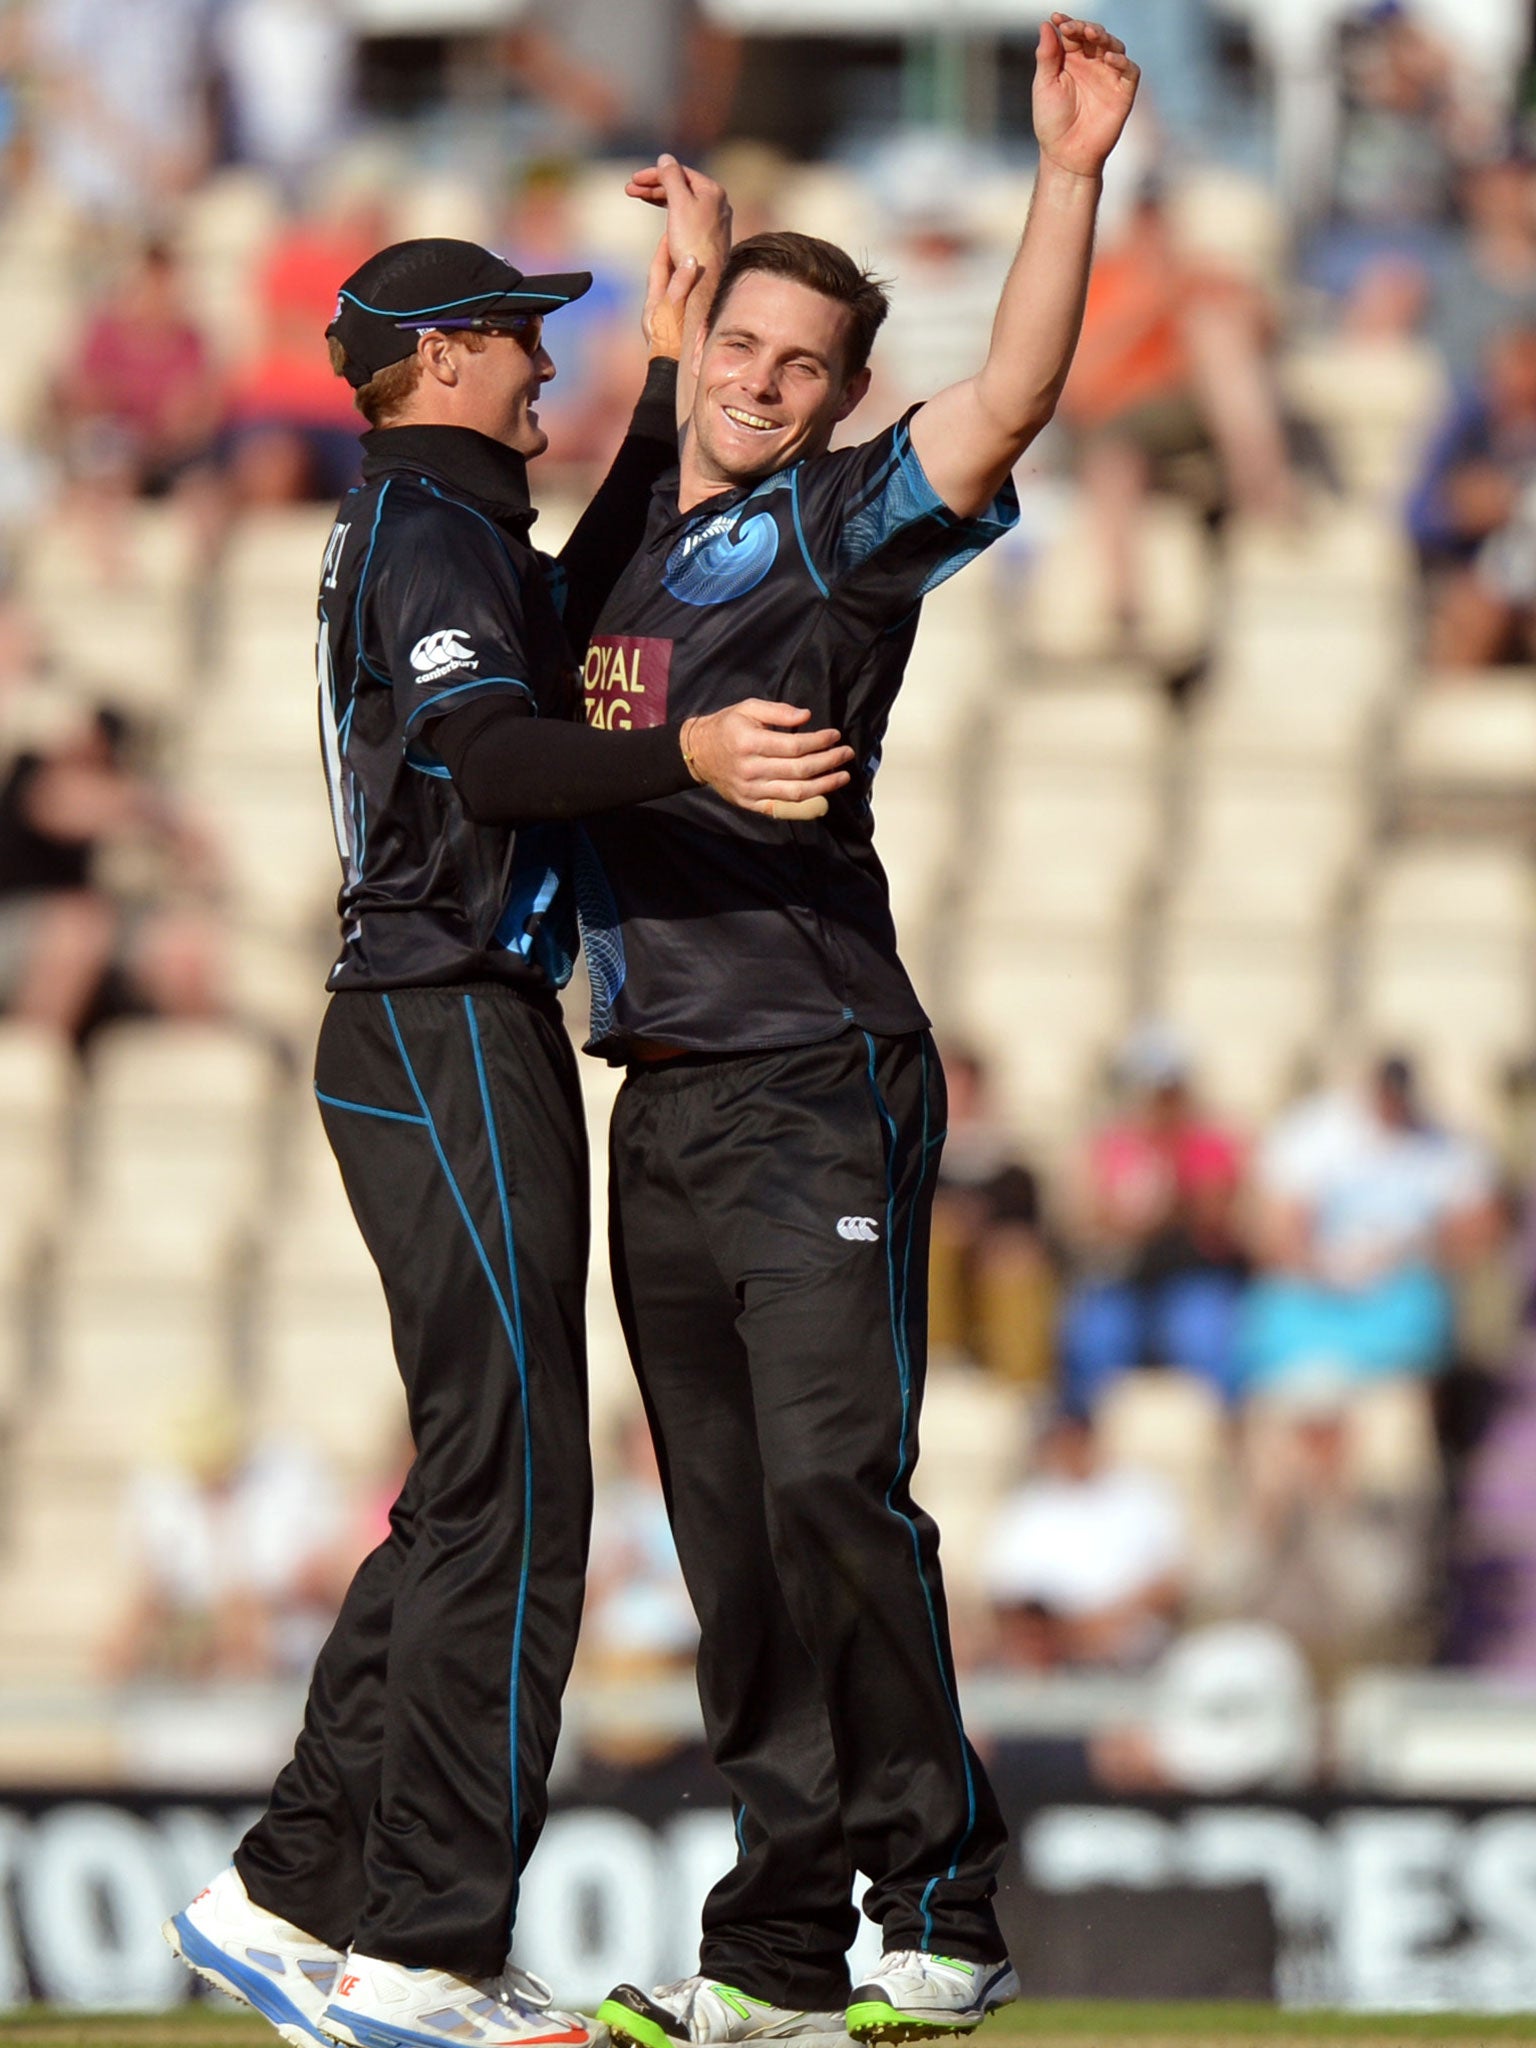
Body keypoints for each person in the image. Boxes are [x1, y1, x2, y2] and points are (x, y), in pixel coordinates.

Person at [161, 168, 852, 2048]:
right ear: (441, 359)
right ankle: (422, 1951)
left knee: (487, 1478)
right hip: (441, 1021)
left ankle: (293, 1884)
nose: (543, 358)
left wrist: (648, 377)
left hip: (437, 1025)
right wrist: (691, 748)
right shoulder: (423, 523)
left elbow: (550, 621)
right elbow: (496, 745)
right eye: (521, 334)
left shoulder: (433, 514)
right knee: (523, 1487)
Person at [583, 21, 1140, 2048]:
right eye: (743, 345)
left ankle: (946, 1893)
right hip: (654, 1098)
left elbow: (1002, 402)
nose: (764, 380)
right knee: (732, 1560)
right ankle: (775, 1958)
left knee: (835, 1486)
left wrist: (1066, 179)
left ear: (833, 396)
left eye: (806, 365)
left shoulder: (830, 528)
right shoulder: (631, 522)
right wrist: (694, 280)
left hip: (815, 1075)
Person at [1058, 1023, 1248, 1411]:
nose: (1163, 1102)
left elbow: (1220, 1218)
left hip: (1192, 1277)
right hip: (1124, 1279)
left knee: (1207, 1336)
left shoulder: (1211, 1144)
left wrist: (1168, 1199)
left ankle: (1225, 1433)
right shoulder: (1108, 1145)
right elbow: (1085, 1221)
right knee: (1095, 1338)